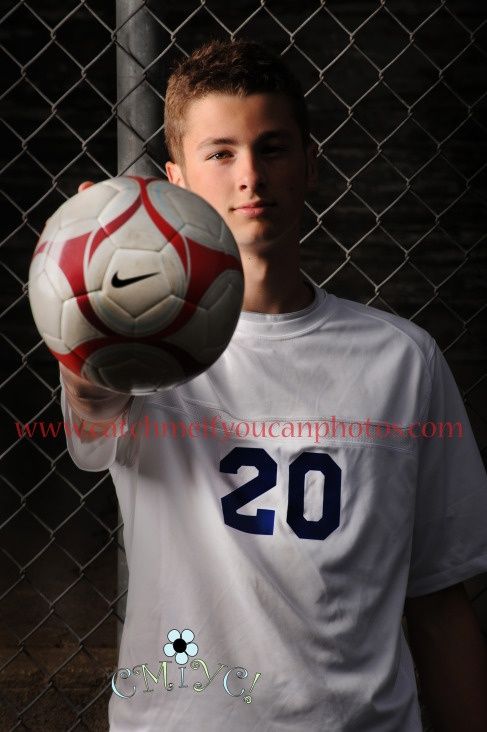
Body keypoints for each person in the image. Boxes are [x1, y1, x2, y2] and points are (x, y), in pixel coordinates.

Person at [60, 40, 487, 731]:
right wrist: (86, 296)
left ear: (311, 164)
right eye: (221, 153)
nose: (249, 176)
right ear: (176, 180)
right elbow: (90, 401)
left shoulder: (400, 359)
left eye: (274, 148)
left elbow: (438, 601)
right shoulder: (138, 346)